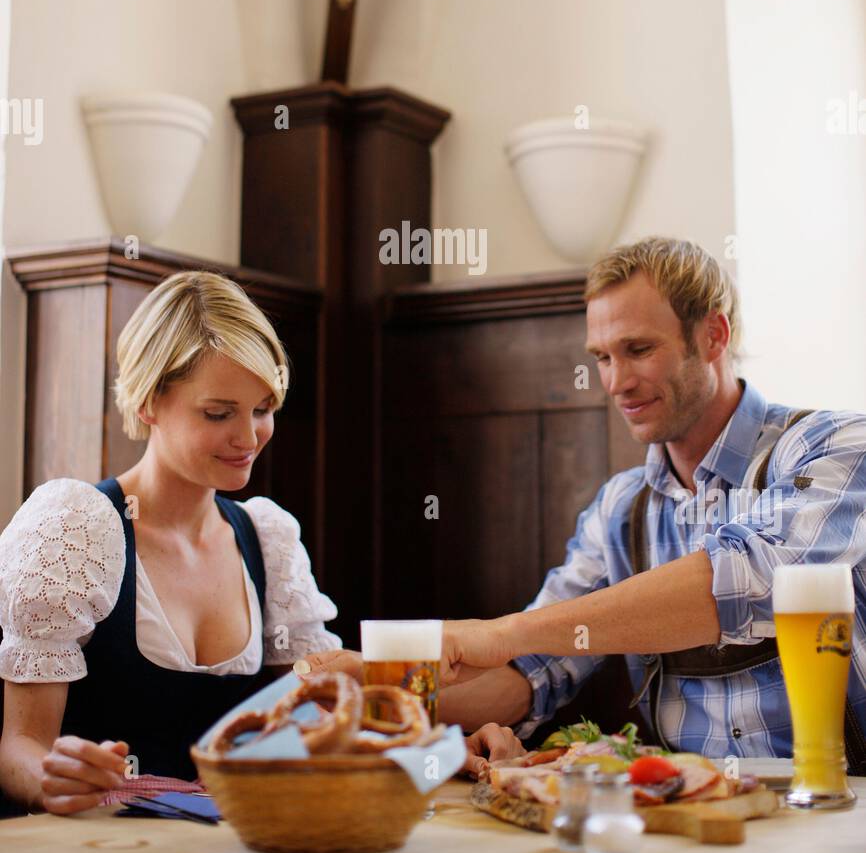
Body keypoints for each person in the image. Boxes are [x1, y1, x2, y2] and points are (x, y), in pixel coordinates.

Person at [302, 237, 866, 777]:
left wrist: (503, 632)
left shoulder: (832, 446)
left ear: (713, 335)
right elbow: (532, 672)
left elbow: (746, 575)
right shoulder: (620, 508)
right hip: (693, 811)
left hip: (842, 808)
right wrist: (379, 688)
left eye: (638, 350)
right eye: (601, 357)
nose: (616, 382)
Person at [0, 271, 340, 814]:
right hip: (101, 850)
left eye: (262, 409)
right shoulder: (74, 530)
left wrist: (443, 741)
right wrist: (51, 778)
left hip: (238, 850)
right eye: (218, 413)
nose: (249, 438)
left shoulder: (268, 540)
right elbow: (19, 747)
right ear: (148, 402)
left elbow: (320, 712)